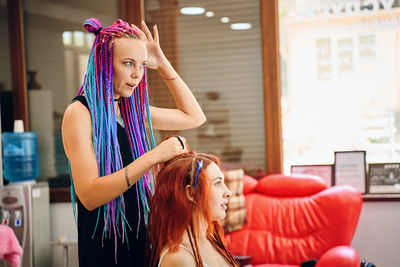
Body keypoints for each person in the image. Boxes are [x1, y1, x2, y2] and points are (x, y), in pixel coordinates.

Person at [61, 18, 206, 266]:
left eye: (142, 65)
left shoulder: (129, 110)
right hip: (105, 249)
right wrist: (154, 156)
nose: (138, 74)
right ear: (104, 63)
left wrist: (162, 65)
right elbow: (89, 195)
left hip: (142, 240)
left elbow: (194, 116)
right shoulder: (80, 113)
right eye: (128, 64)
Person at [147, 151, 238, 267]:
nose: (228, 192)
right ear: (191, 193)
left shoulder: (212, 239)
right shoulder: (179, 259)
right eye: (218, 183)